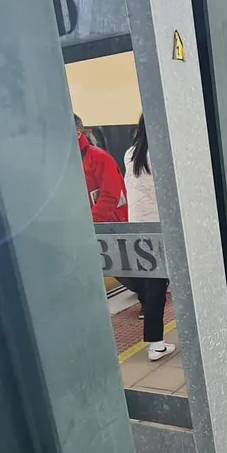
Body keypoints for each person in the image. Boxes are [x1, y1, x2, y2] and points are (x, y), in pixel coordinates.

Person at [122, 115, 177, 362]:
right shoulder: (164, 153)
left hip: (138, 226)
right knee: (176, 280)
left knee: (154, 282)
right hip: (163, 226)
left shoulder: (131, 154)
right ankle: (158, 344)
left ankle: (156, 343)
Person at [76, 113, 128, 223]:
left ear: (78, 133)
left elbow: (111, 195)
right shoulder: (61, 162)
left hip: (108, 228)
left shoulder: (99, 157)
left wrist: (89, 221)